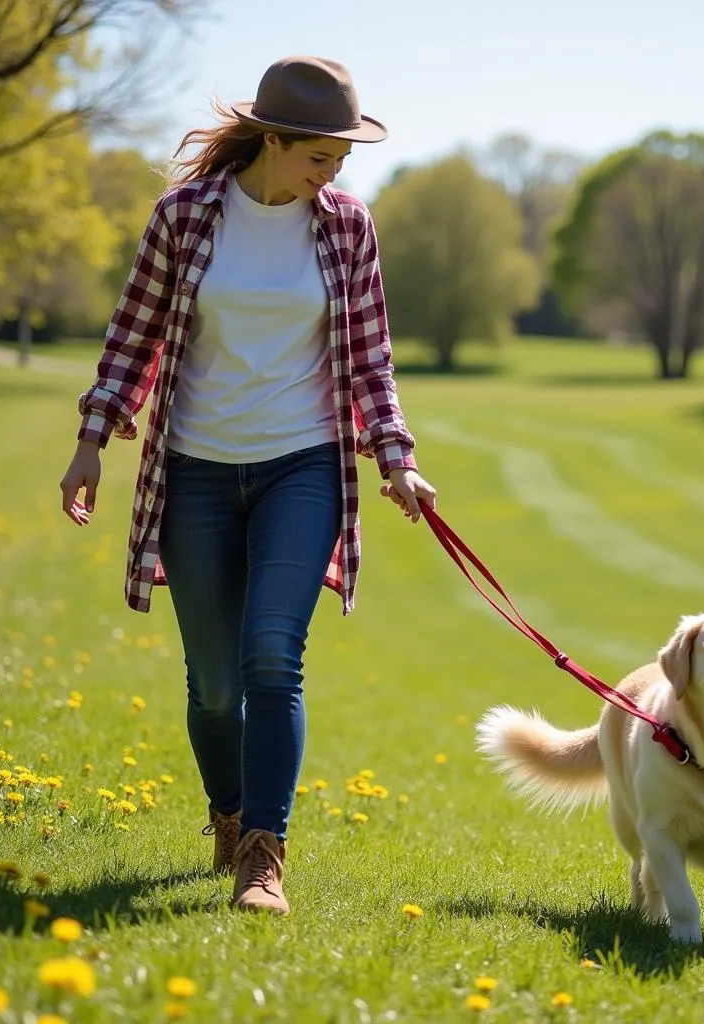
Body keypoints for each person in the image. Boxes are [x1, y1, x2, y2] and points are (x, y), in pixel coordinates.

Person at [58, 56, 437, 915]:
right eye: (319, 156)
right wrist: (91, 439)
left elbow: (372, 360)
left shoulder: (346, 227)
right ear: (272, 139)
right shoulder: (186, 217)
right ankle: (226, 814)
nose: (332, 173)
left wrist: (396, 457)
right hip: (192, 469)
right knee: (214, 684)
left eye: (341, 160)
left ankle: (263, 854)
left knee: (273, 653)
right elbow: (133, 333)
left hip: (303, 465)